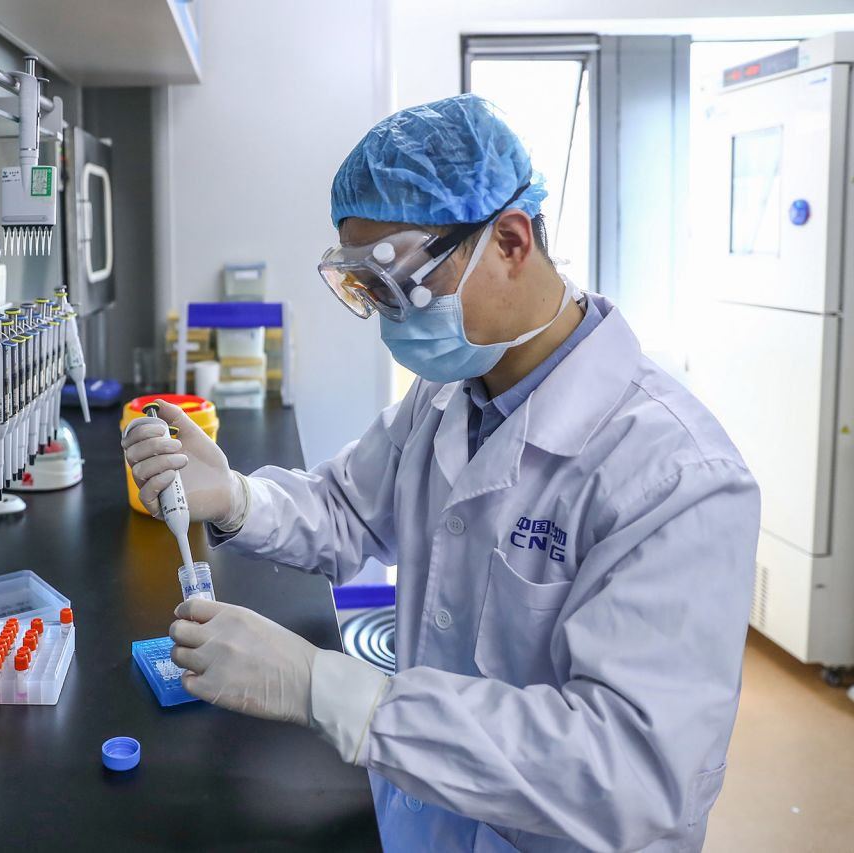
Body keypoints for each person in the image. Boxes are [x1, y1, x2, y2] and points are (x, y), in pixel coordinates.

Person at [122, 95, 760, 852]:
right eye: (367, 289)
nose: (391, 318)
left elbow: (630, 775)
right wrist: (236, 496)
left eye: (400, 283)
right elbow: (347, 510)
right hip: (420, 822)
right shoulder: (449, 391)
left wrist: (328, 689)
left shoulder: (676, 475)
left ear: (512, 241)